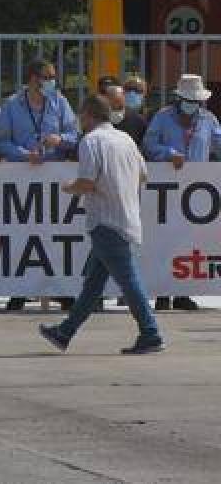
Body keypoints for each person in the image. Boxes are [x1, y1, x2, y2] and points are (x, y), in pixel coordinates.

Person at [38, 94, 164, 355]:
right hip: (124, 216)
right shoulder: (126, 139)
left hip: (105, 220)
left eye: (81, 116)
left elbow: (87, 183)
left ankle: (150, 332)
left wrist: (68, 188)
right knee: (94, 283)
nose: (80, 121)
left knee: (128, 279)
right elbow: (143, 174)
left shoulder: (91, 142)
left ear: (88, 115)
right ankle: (65, 332)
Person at [0, 58, 79, 312]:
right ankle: (19, 292)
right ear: (33, 78)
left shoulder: (60, 103)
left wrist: (59, 139)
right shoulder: (11, 105)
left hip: (55, 178)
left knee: (56, 236)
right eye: (49, 76)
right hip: (22, 177)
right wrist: (23, 154)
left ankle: (61, 290)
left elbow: (75, 136)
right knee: (22, 236)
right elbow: (2, 142)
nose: (53, 81)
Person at [142, 74, 221, 312]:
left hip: (197, 192)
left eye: (196, 101)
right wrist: (168, 153)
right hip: (167, 191)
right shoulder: (162, 117)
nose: (193, 105)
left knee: (190, 242)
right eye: (189, 100)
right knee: (166, 241)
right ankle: (163, 294)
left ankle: (183, 293)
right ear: (178, 99)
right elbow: (149, 144)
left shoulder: (209, 120)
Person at [108, 81, 147, 148]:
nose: (132, 93)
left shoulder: (141, 120)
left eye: (137, 90)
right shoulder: (101, 118)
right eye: (128, 89)